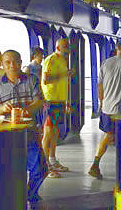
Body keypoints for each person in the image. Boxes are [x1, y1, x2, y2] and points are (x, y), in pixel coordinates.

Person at [0, 50, 47, 207]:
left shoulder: (31, 80)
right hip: (7, 136)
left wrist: (27, 110)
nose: (12, 65)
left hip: (29, 133)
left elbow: (39, 100)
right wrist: (2, 108)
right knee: (10, 172)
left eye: (16, 62)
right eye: (8, 62)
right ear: (2, 64)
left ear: (21, 63)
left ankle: (29, 195)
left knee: (39, 169)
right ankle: (18, 200)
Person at [88, 41, 121, 179]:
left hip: (107, 108)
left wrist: (102, 102)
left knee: (107, 136)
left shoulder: (105, 63)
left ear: (117, 49)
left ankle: (95, 164)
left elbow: (99, 85)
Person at [41, 38, 74, 178]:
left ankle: (52, 160)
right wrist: (63, 75)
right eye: (65, 46)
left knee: (55, 132)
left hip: (60, 101)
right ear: (58, 47)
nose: (68, 49)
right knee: (48, 133)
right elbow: (45, 80)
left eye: (68, 46)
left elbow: (63, 82)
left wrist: (66, 102)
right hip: (50, 101)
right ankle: (44, 165)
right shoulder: (51, 60)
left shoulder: (63, 60)